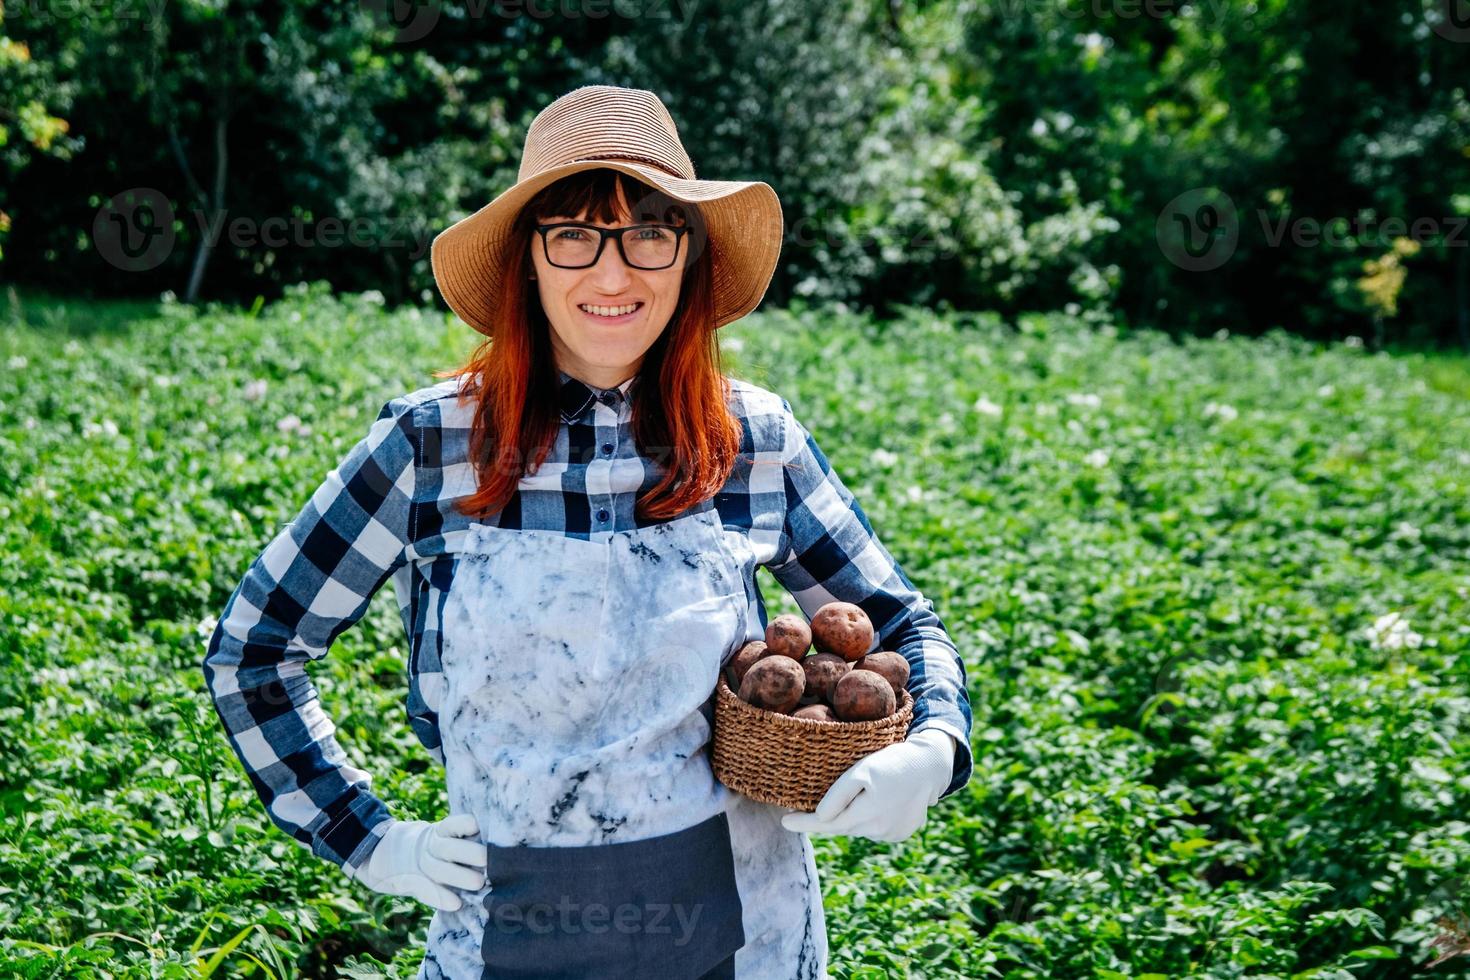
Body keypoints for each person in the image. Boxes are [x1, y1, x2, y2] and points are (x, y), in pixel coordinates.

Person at [202, 84, 973, 980]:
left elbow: (901, 624)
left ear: (689, 255)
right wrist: (368, 839)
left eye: (651, 230)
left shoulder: (751, 439)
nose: (614, 275)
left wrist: (934, 750)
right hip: (506, 938)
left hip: (743, 934)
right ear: (528, 259)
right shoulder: (432, 444)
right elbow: (255, 654)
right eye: (573, 233)